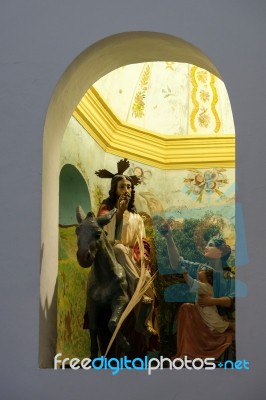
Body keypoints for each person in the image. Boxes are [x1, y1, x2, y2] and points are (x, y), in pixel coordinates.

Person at [95, 159, 157, 337]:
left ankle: (143, 321)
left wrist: (143, 257)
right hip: (112, 254)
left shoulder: (137, 218)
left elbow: (142, 241)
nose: (126, 191)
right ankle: (138, 286)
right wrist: (119, 214)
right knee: (120, 249)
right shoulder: (107, 213)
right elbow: (108, 240)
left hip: (131, 256)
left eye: (129, 187)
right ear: (115, 189)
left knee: (147, 276)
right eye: (122, 187)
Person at [158, 221, 235, 360]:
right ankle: (187, 354)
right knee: (186, 308)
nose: (206, 247)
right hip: (202, 315)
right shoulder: (201, 269)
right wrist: (169, 238)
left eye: (210, 245)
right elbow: (177, 264)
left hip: (219, 317)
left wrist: (211, 300)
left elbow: (232, 300)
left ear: (222, 251)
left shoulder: (228, 275)